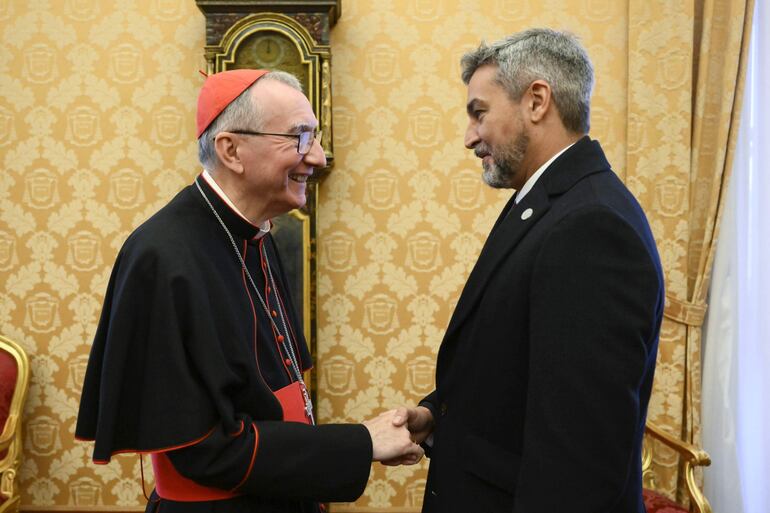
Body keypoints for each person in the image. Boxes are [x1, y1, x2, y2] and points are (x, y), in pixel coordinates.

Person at [76, 69, 422, 513]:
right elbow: (205, 451)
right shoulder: (162, 257)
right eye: (298, 137)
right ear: (232, 150)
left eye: (313, 136)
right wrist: (359, 443)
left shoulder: (256, 235)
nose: (316, 157)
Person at [393, 29, 664, 513]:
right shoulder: (547, 202)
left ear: (537, 101)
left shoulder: (591, 226)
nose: (469, 136)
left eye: (479, 112)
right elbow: (522, 365)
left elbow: (578, 459)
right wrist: (439, 414)